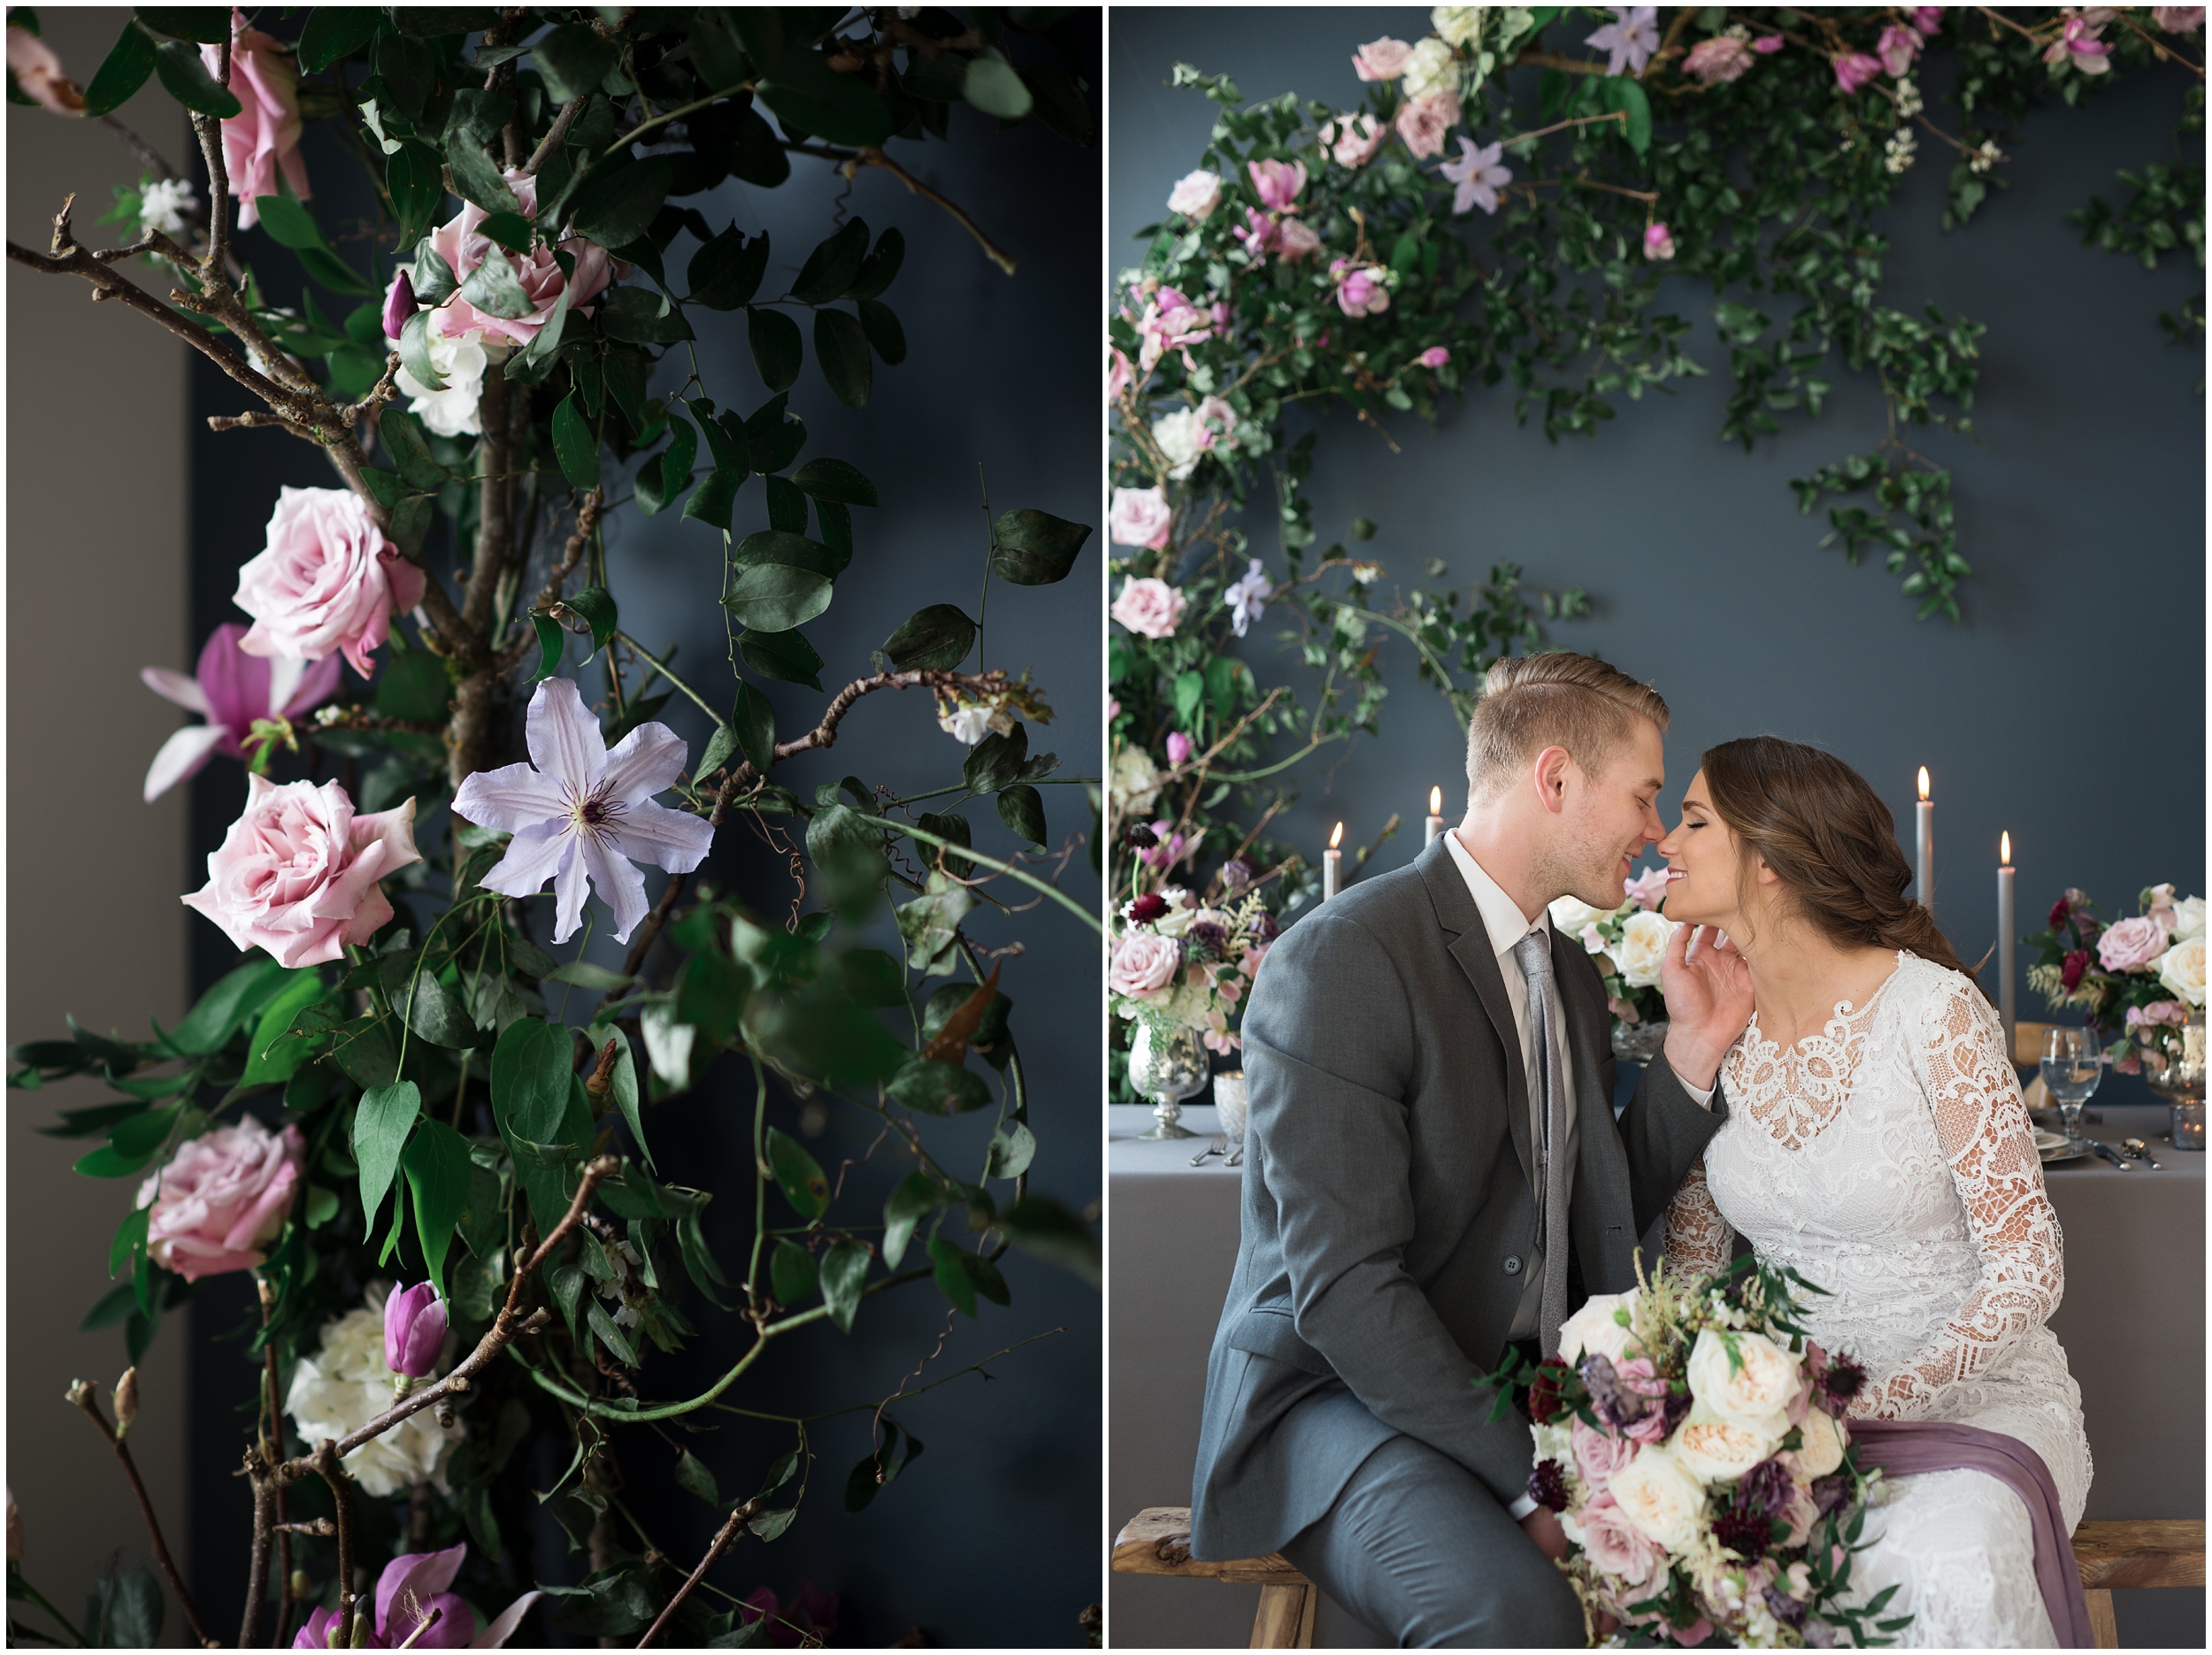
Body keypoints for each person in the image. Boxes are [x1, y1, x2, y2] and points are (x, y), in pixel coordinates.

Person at [1188, 652, 1756, 1646]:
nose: (1655, 829)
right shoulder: (1344, 959)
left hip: (1516, 1391)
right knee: (1509, 1615)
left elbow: (1594, 1212)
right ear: (1554, 779)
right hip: (1334, 1403)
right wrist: (1532, 1476)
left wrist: (1690, 1055)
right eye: (1644, 793)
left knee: (1721, 1582)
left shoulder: (1571, 975)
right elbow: (1345, 1294)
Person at [1655, 737, 2090, 1647]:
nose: (1665, 839)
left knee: (1946, 1554)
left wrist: (1880, 1402)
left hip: (1970, 1401)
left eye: (1693, 819)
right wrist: (1729, 1414)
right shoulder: (1712, 1022)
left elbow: (2027, 1265)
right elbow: (1687, 1278)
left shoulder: (1931, 1012)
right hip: (1779, 1424)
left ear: (1768, 860)